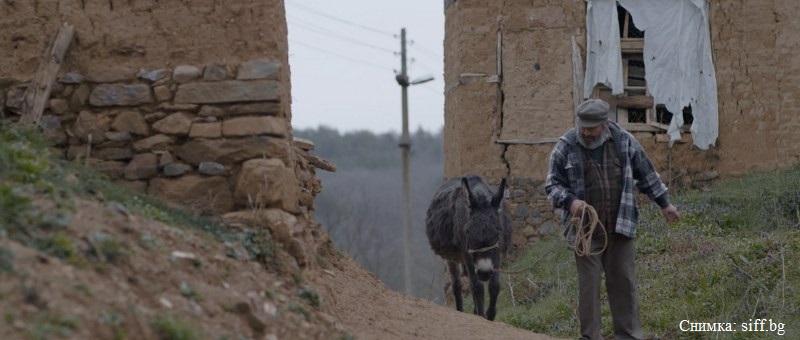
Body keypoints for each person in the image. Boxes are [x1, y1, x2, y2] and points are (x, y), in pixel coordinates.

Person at [545, 98, 680, 340]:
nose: (585, 131)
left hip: (620, 227)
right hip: (586, 233)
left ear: (604, 124)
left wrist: (665, 204)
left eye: (591, 127)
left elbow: (647, 174)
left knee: (623, 286)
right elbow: (552, 185)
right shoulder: (566, 145)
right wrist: (570, 201)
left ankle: (628, 336)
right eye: (582, 126)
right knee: (589, 288)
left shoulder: (624, 141)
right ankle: (590, 337)